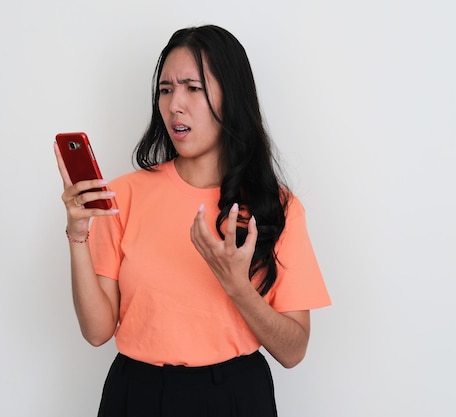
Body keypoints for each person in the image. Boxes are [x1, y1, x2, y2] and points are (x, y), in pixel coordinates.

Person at [54, 24, 331, 417]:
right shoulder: (126, 195)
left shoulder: (277, 207)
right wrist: (78, 235)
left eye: (192, 88)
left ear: (231, 98)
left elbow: (293, 351)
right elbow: (97, 331)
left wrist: (238, 287)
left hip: (235, 397)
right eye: (165, 90)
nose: (174, 105)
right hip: (138, 395)